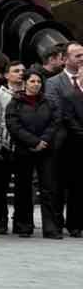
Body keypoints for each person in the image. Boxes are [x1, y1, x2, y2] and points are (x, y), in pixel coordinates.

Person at [8, 68, 63, 239]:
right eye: (32, 81)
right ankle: (24, 225)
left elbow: (55, 122)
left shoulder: (49, 102)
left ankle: (51, 228)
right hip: (24, 150)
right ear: (25, 83)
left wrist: (43, 141)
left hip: (46, 150)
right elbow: (14, 125)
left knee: (48, 188)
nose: (36, 84)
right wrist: (33, 142)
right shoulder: (15, 103)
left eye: (39, 81)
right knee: (23, 188)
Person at [42, 41, 83, 236]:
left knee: (79, 184)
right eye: (78, 55)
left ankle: (76, 224)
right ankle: (56, 222)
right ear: (65, 59)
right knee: (57, 184)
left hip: (80, 143)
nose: (82, 58)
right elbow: (58, 111)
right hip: (63, 141)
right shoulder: (53, 82)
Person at [0, 60, 24, 234]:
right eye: (16, 71)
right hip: (4, 143)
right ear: (7, 75)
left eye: (22, 71)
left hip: (24, 145)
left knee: (23, 186)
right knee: (0, 185)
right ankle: (1, 218)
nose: (20, 73)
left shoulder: (29, 91)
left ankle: (20, 220)